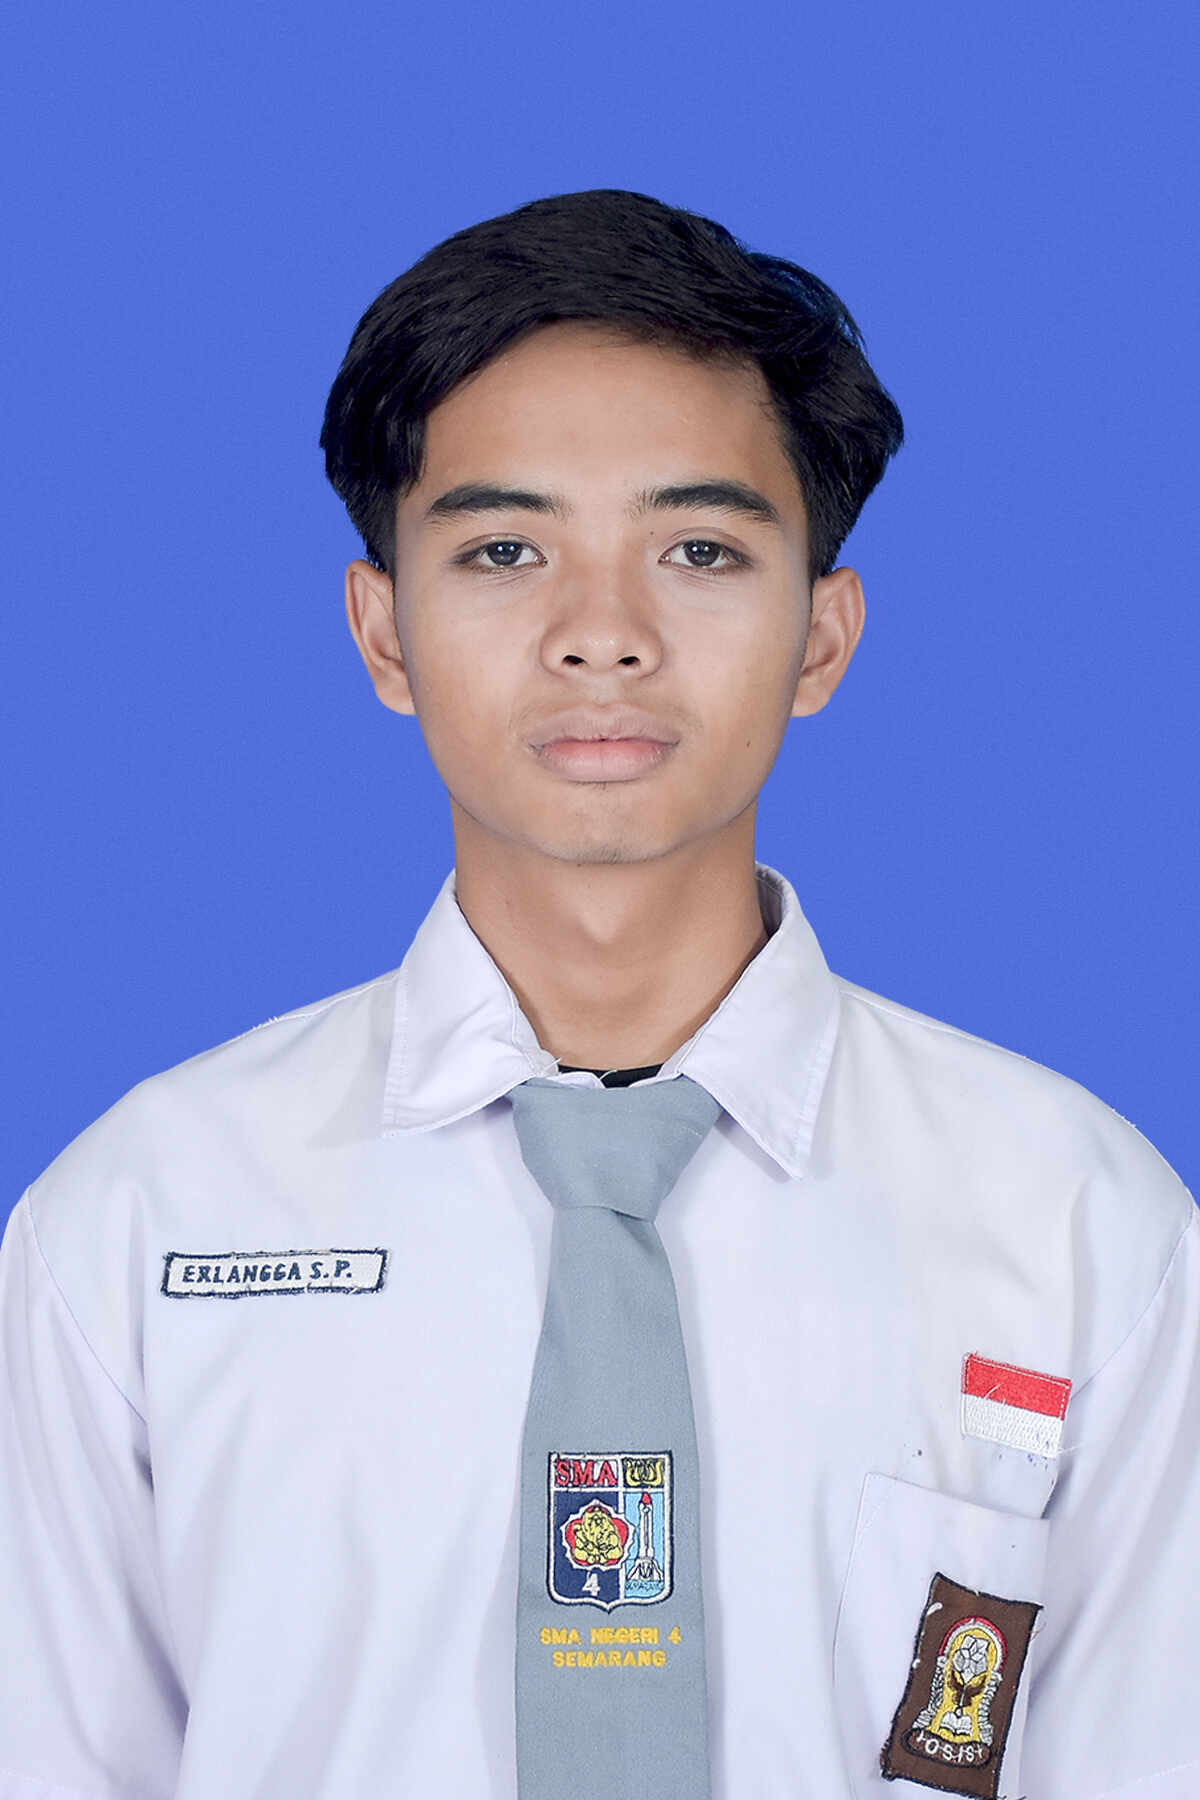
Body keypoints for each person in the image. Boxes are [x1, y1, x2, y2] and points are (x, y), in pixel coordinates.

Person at [1, 187, 1196, 1800]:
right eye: (505, 550)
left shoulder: (1078, 1224)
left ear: (823, 635)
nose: (603, 636)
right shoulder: (140, 1222)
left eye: (699, 550)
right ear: (383, 631)